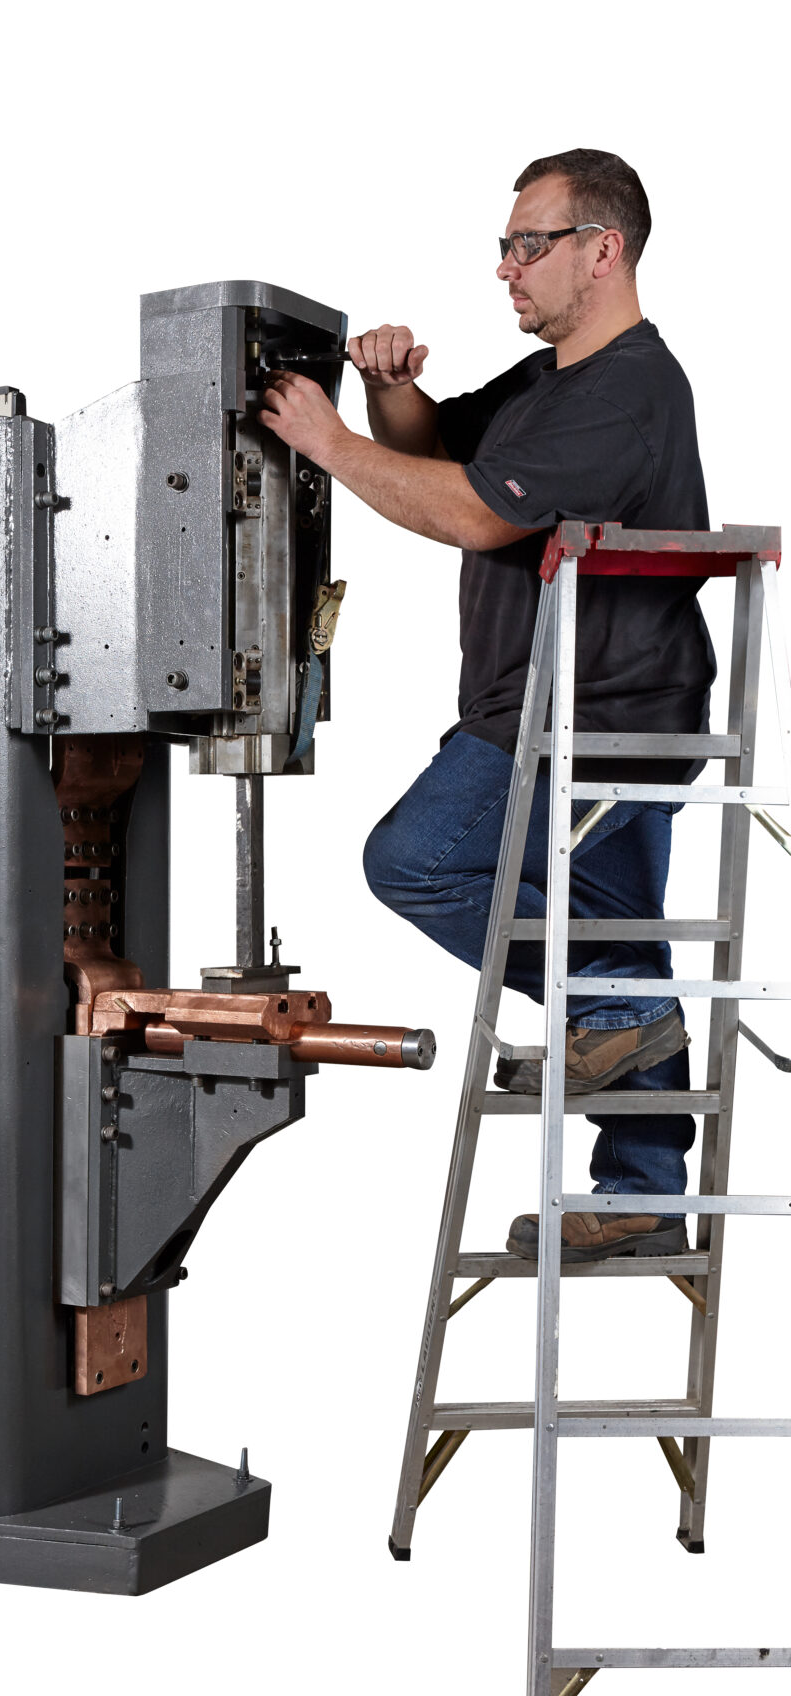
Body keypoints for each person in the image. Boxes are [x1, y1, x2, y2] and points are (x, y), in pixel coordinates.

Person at [257, 148, 714, 1260]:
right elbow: (435, 451)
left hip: (590, 714)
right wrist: (386, 393)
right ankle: (643, 1186)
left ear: (601, 250)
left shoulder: (629, 390)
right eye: (504, 246)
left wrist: (328, 443)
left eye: (527, 244)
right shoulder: (548, 382)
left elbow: (474, 513)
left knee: (416, 859)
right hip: (574, 709)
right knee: (616, 941)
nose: (505, 267)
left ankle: (618, 1018)